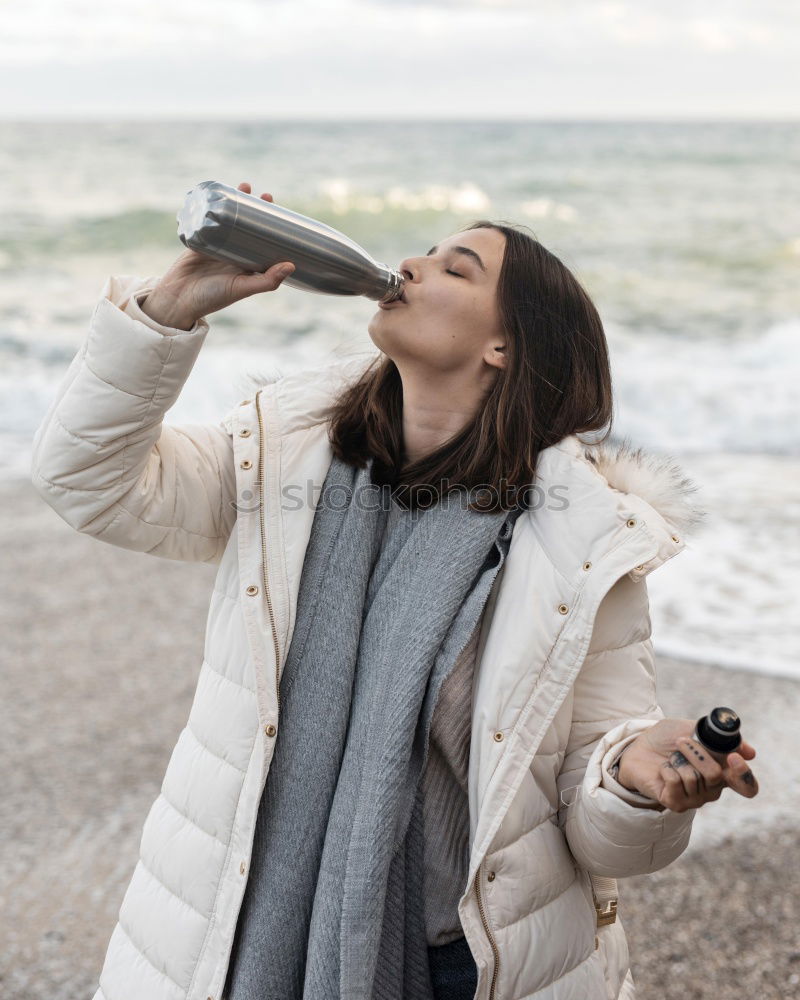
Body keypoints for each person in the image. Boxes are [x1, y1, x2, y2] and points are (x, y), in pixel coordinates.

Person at [31, 181, 759, 1000]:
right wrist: (168, 310)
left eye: (457, 267)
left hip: (452, 964)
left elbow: (598, 831)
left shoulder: (582, 547)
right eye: (426, 251)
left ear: (506, 348)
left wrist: (634, 783)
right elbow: (86, 481)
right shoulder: (281, 456)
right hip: (230, 933)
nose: (411, 265)